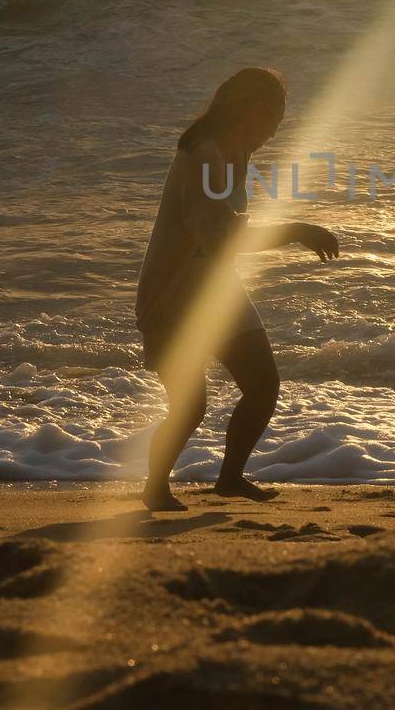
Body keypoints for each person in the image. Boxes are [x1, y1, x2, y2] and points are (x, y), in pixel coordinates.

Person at [136, 67, 340, 512]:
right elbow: (221, 237)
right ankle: (154, 487)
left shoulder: (235, 154)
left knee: (263, 384)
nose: (274, 131)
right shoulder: (205, 156)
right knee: (190, 407)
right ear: (250, 110)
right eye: (273, 119)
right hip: (172, 298)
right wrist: (297, 230)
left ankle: (229, 479)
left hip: (215, 291)